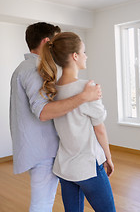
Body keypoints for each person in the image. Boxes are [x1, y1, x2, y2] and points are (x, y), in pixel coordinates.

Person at [10, 22, 102, 212]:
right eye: (56, 41)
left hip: (42, 148)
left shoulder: (25, 67)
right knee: (42, 202)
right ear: (46, 42)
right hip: (43, 151)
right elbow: (43, 112)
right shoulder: (33, 69)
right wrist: (84, 97)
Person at [38, 32, 116, 212]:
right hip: (89, 167)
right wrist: (108, 157)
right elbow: (100, 129)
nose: (86, 56)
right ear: (75, 56)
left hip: (65, 168)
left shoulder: (52, 89)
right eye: (84, 52)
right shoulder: (87, 88)